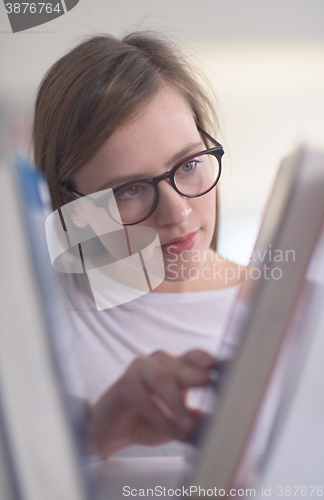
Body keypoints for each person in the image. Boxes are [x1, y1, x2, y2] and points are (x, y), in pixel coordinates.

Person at [32, 32, 243, 457]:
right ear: (69, 203)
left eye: (188, 165)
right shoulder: (35, 316)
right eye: (128, 190)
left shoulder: (296, 309)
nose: (177, 213)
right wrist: (93, 437)